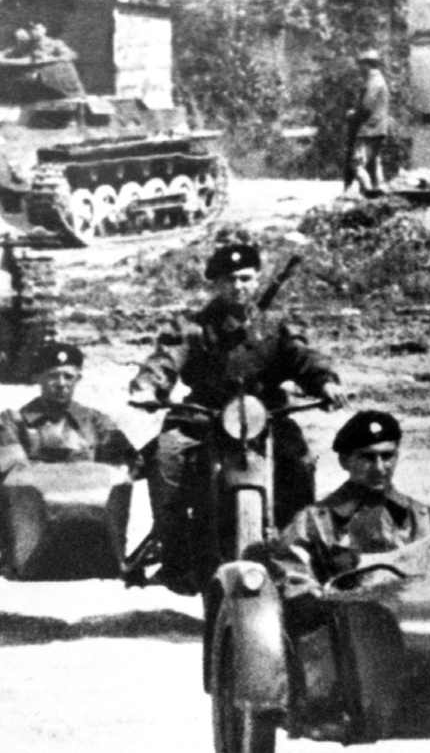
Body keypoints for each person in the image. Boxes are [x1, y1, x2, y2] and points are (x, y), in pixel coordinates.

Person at [128, 237, 346, 592]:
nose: (238, 286)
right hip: (203, 416)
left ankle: (301, 552)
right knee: (167, 457)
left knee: (300, 463)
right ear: (214, 284)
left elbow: (304, 356)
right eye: (229, 279)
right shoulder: (193, 326)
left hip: (266, 416)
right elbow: (165, 360)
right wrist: (148, 387)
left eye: (245, 278)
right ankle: (174, 551)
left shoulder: (275, 326)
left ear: (257, 278)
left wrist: (325, 383)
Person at [274, 410, 430, 596]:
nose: (379, 468)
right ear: (345, 461)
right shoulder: (314, 522)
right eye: (368, 458)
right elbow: (291, 581)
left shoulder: (427, 520)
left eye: (387, 456)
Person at [0, 343, 136, 483]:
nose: (61, 383)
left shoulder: (96, 421)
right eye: (52, 376)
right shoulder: (14, 422)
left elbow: (127, 463)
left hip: (89, 505)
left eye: (68, 377)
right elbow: (10, 469)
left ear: (78, 379)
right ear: (38, 378)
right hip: (34, 508)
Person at [345, 49, 390, 196]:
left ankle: (369, 192)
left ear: (367, 65)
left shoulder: (373, 82)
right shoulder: (380, 80)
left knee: (356, 163)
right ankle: (380, 190)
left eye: (361, 65)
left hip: (369, 129)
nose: (359, 68)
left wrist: (353, 114)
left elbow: (366, 107)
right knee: (373, 162)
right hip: (379, 128)